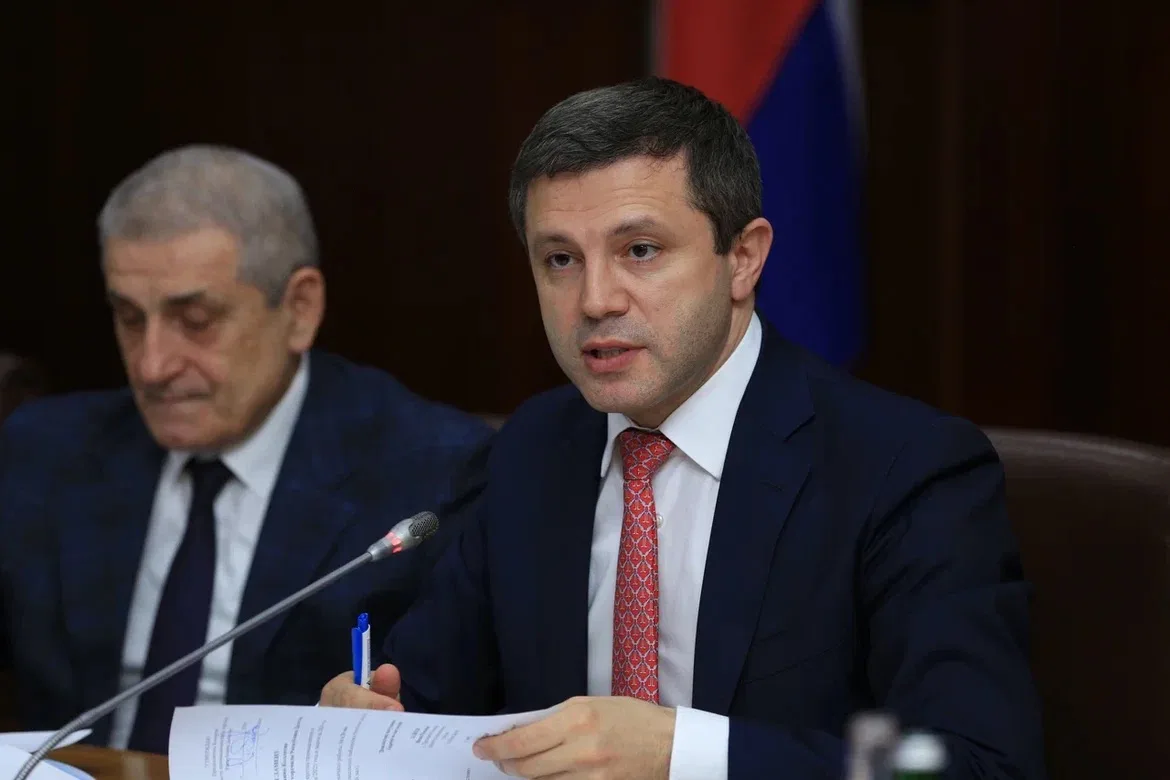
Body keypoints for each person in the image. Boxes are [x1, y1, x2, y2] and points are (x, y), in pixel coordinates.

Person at [319, 78, 1045, 779]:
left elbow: (967, 763)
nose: (595, 301)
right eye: (560, 260)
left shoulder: (904, 469)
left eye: (640, 250)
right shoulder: (530, 452)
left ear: (743, 259)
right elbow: (433, 707)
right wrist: (377, 723)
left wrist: (685, 758)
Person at [0, 146, 494, 752]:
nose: (152, 366)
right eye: (129, 318)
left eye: (195, 320)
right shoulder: (45, 451)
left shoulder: (432, 475)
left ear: (300, 309)